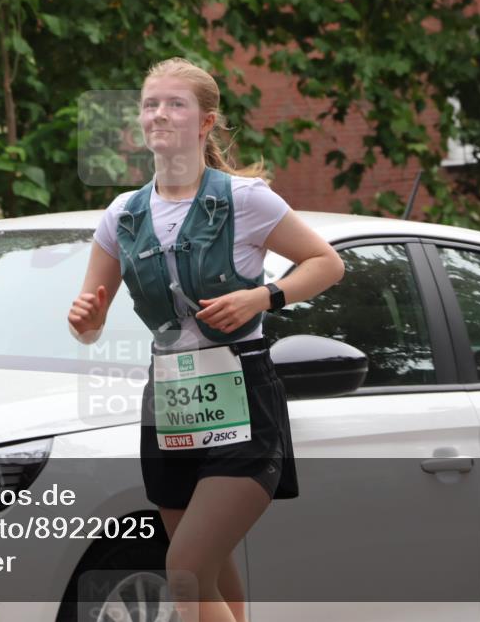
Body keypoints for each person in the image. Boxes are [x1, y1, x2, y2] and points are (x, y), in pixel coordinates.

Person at [68, 57, 344, 622]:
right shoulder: (122, 215)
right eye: (150, 104)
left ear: (205, 122)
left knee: (186, 570)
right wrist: (83, 319)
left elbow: (327, 263)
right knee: (210, 573)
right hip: (170, 401)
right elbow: (91, 325)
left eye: (175, 104)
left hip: (243, 393)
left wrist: (264, 297)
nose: (159, 114)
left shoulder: (246, 199)